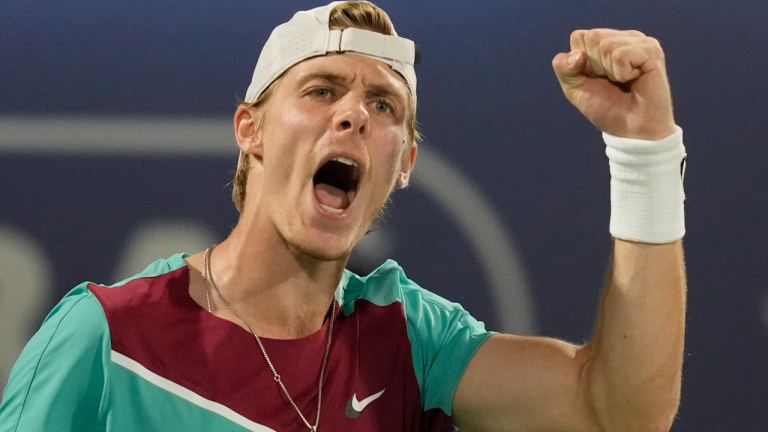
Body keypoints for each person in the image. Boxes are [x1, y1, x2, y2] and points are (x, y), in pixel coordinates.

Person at [0, 1, 687, 431]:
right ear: (250, 129)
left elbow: (619, 411)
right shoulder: (105, 336)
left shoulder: (412, 341)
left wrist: (644, 149)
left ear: (406, 162)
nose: (355, 112)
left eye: (384, 106)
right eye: (321, 90)